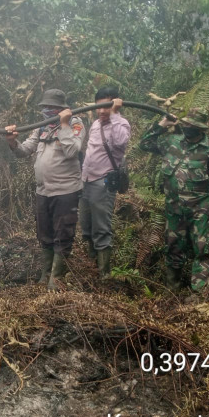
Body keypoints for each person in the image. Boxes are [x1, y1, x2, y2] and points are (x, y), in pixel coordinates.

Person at [139, 107, 209, 296]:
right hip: (174, 208)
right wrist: (161, 125)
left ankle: (198, 295)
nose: (188, 128)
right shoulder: (170, 142)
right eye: (187, 124)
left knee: (203, 250)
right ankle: (172, 291)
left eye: (193, 125)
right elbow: (145, 143)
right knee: (173, 247)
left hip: (201, 208)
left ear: (201, 128)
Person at [4, 89, 84, 289]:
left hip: (66, 190)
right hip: (43, 191)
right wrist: (12, 141)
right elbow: (24, 151)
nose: (46, 111)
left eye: (51, 107)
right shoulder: (41, 128)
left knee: (63, 233)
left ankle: (56, 278)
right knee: (45, 233)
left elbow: (72, 150)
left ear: (61, 109)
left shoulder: (75, 124)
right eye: (44, 107)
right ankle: (45, 274)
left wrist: (64, 124)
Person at [79, 87, 129, 277]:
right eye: (98, 107)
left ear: (114, 104)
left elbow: (120, 142)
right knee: (86, 227)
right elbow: (91, 153)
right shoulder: (95, 125)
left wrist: (115, 114)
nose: (101, 111)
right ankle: (91, 269)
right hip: (87, 182)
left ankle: (104, 276)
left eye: (106, 107)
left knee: (101, 228)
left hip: (103, 183)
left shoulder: (121, 124)